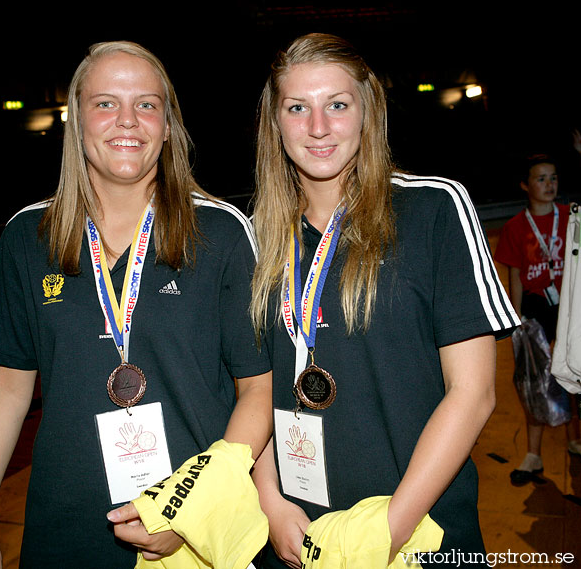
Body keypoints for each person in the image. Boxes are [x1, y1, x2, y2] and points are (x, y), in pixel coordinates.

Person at [0, 41, 272, 568]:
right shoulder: (27, 236)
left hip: (199, 535)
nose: (128, 120)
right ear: (75, 122)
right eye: (105, 103)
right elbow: (10, 384)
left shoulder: (221, 232)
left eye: (147, 104)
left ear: (168, 126)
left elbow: (258, 390)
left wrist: (189, 509)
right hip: (68, 528)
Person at [249, 33, 519, 568]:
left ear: (367, 112)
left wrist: (387, 531)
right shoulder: (255, 238)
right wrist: (271, 502)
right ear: (275, 124)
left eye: (338, 105)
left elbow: (474, 392)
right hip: (295, 531)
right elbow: (252, 392)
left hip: (418, 534)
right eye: (297, 108)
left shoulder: (434, 209)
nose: (318, 127)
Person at [494, 154, 581, 485]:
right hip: (535, 307)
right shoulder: (516, 226)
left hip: (570, 307)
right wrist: (516, 320)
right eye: (541, 179)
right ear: (525, 185)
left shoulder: (571, 217)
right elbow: (515, 273)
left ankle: (575, 439)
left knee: (573, 371)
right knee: (534, 380)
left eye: (553, 177)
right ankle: (533, 454)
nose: (549, 184)